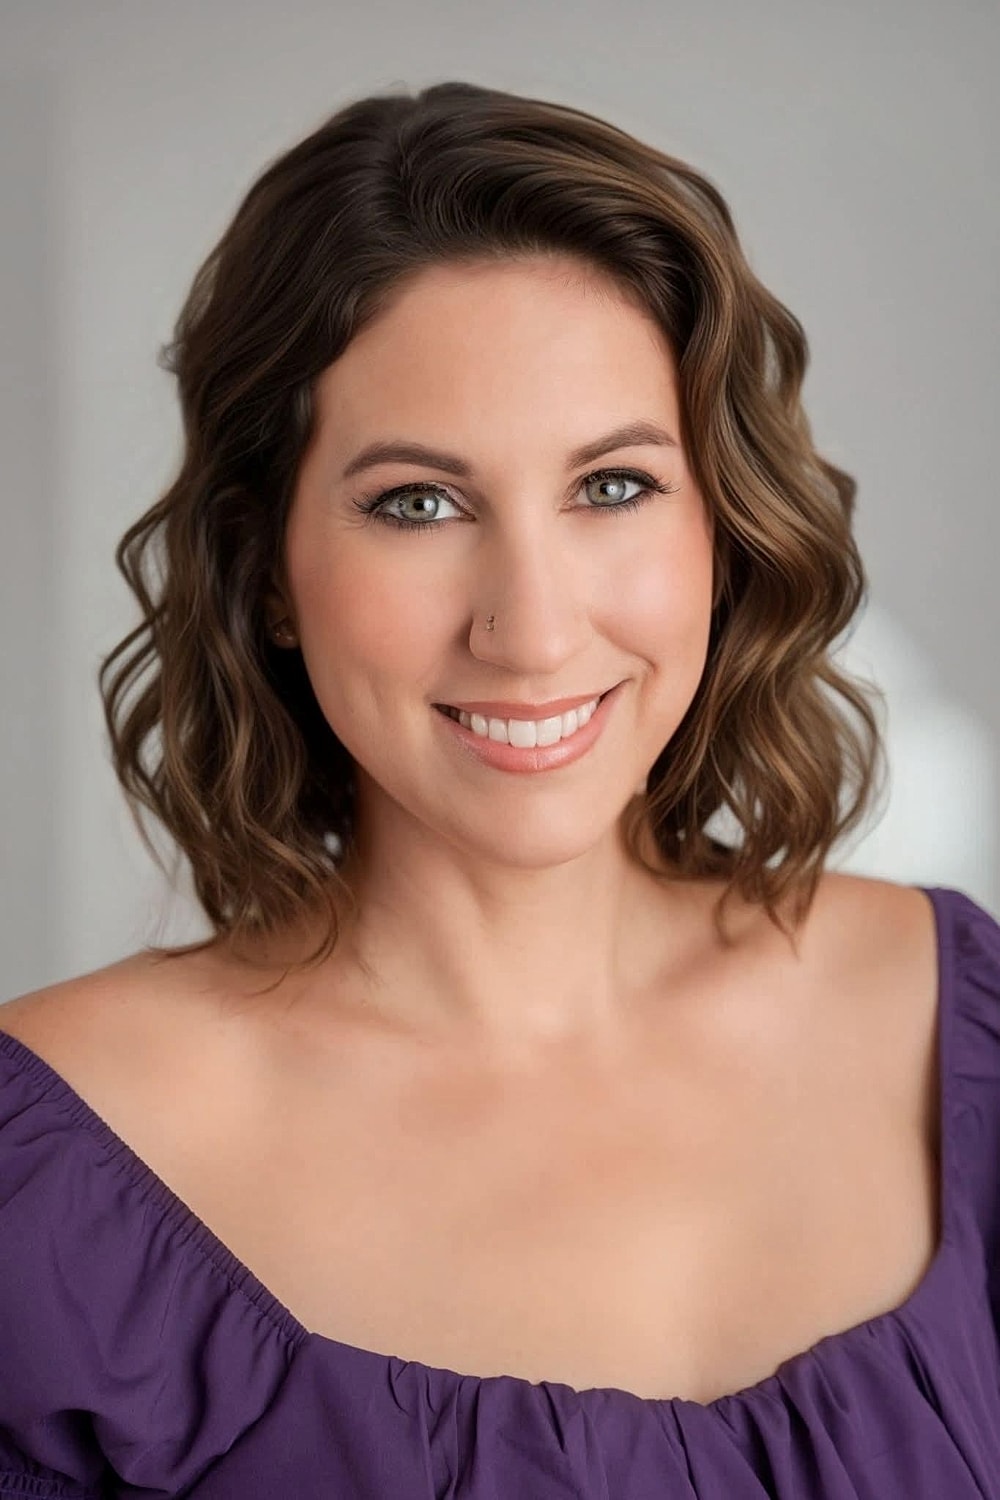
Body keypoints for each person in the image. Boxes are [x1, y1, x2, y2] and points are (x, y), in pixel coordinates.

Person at [0, 79, 998, 1500]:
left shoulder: (961, 1030)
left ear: (723, 523)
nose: (529, 632)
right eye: (419, 503)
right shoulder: (50, 1193)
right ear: (267, 568)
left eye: (612, 488)